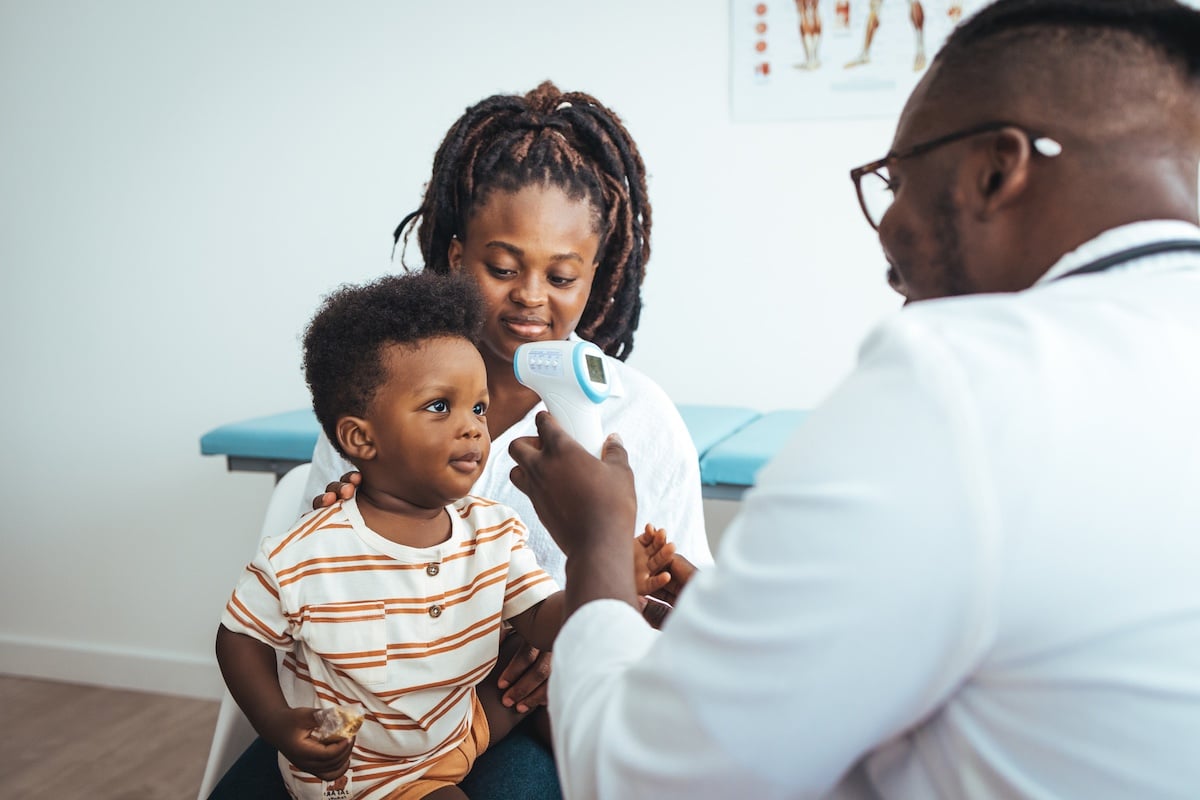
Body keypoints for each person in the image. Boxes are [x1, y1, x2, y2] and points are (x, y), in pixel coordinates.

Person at [507, 1, 1200, 797]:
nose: (888, 231)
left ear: (995, 172)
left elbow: (642, 778)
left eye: (896, 181)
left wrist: (596, 545)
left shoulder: (957, 380)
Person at [208, 81, 714, 799]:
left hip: (527, 718)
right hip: (373, 722)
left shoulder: (638, 421)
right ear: (454, 255)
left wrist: (578, 627)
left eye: (562, 275)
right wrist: (348, 520)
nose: (531, 295)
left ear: (595, 276)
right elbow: (308, 599)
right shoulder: (376, 398)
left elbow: (668, 608)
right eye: (502, 268)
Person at [216, 271, 675, 800]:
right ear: (361, 438)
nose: (473, 427)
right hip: (369, 773)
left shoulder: (495, 529)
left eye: (479, 407)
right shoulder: (307, 553)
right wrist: (278, 723)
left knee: (565, 691)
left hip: (457, 726)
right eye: (441, 407)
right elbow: (239, 638)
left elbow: (546, 623)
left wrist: (614, 571)